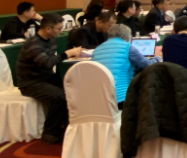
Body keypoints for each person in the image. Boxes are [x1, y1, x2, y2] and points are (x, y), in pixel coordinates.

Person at [16, 13, 83, 143]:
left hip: (46, 78)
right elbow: (47, 62)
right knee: (59, 97)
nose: (61, 31)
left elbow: (51, 61)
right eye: (59, 29)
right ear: (48, 29)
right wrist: (67, 54)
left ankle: (69, 127)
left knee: (72, 89)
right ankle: (50, 132)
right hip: (30, 82)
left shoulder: (51, 40)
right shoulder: (33, 44)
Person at [91, 24, 160, 105]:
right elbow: (147, 64)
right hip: (121, 98)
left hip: (98, 98)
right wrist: (157, 58)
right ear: (126, 37)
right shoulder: (127, 47)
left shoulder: (97, 49)